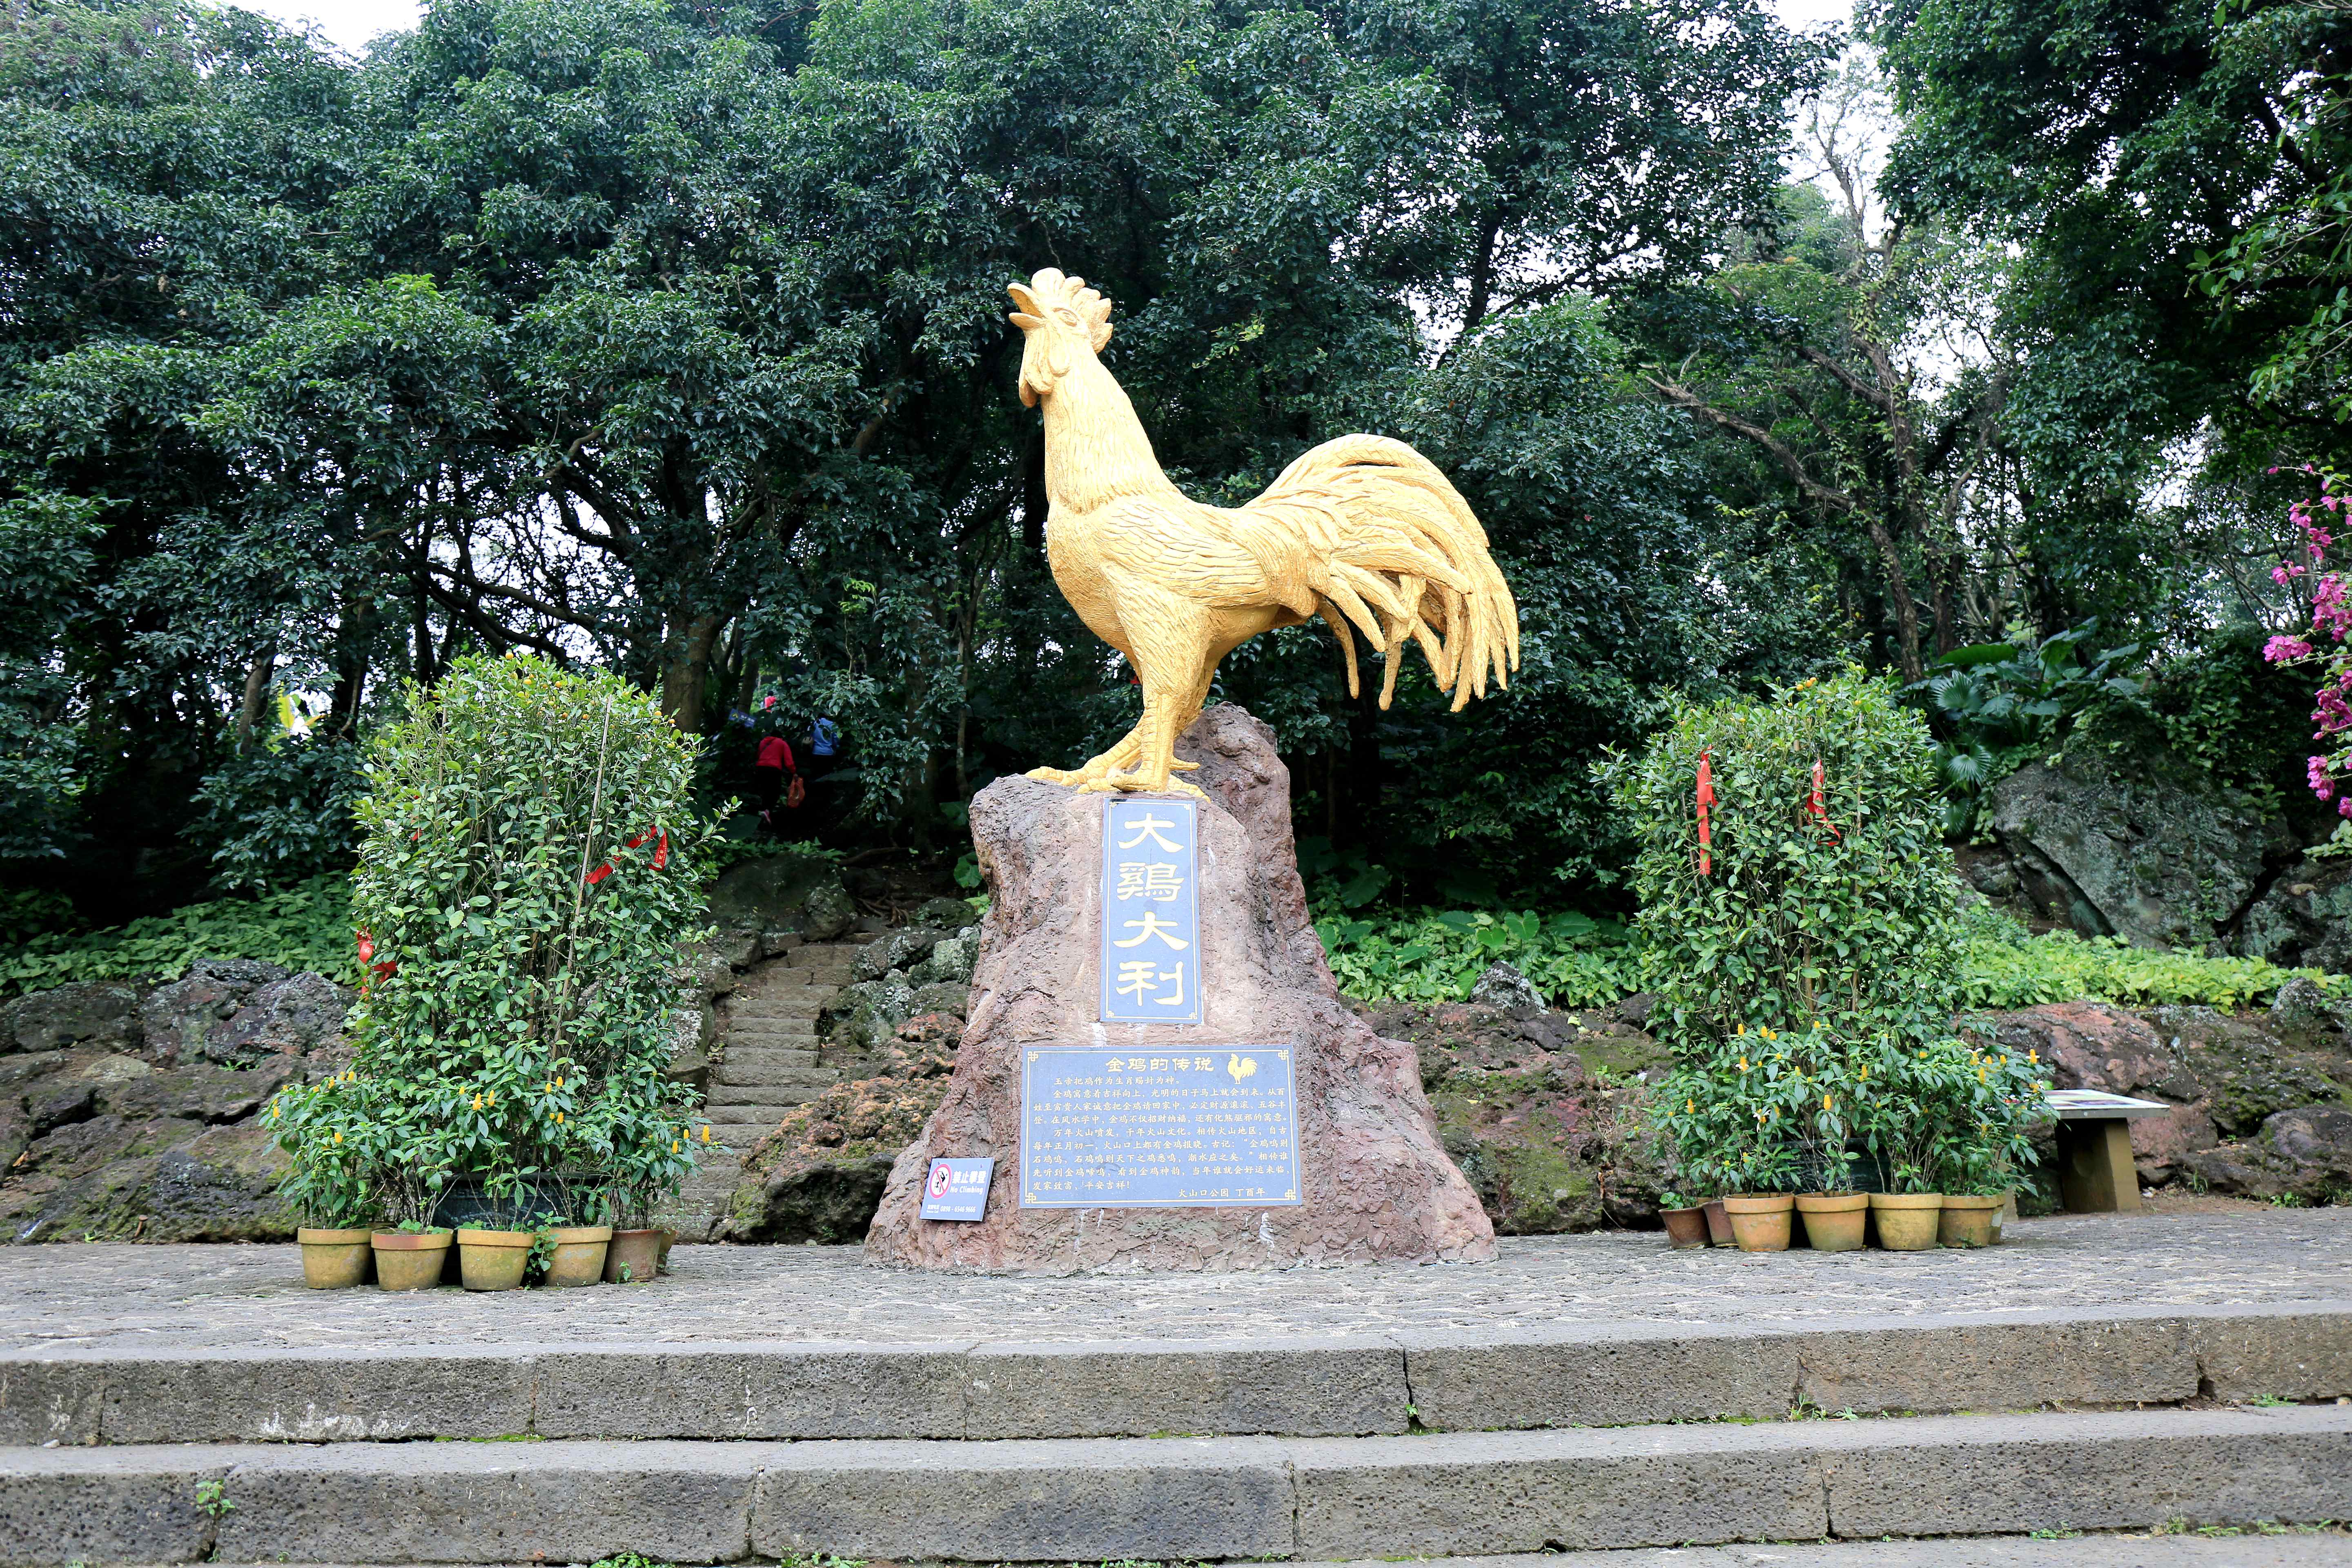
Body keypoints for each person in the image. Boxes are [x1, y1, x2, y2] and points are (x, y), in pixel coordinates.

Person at [753, 731, 794, 830]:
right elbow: (789, 761)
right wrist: (794, 772)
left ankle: (763, 811)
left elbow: (759, 754)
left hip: (761, 768)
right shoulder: (782, 743)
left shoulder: (763, 742)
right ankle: (767, 811)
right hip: (774, 769)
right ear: (781, 737)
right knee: (774, 792)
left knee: (763, 790)